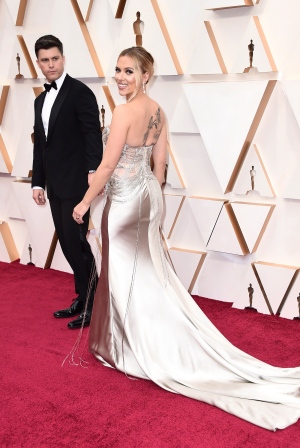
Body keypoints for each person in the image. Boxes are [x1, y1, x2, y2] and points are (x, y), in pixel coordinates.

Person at [73, 47, 300, 430]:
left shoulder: (125, 111)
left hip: (126, 200)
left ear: (146, 74)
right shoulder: (158, 110)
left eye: (129, 71)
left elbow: (109, 164)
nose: (121, 77)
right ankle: (146, 336)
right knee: (149, 272)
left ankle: (135, 347)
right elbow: (159, 164)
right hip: (148, 196)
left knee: (126, 273)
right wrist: (151, 195)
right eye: (117, 70)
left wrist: (83, 202)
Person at [32, 35, 103, 329]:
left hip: (77, 182)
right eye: (45, 60)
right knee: (67, 242)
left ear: (63, 58)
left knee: (76, 242)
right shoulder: (40, 99)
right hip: (54, 185)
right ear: (38, 62)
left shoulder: (80, 92)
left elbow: (92, 134)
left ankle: (93, 303)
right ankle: (83, 297)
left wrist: (93, 171)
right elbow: (41, 145)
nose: (51, 64)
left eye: (55, 58)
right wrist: (38, 182)